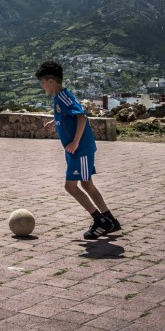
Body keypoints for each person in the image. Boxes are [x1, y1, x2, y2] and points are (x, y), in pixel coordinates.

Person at [35, 61, 121, 239]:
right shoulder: (60, 98)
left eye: (42, 81)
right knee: (87, 184)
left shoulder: (64, 98)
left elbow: (82, 117)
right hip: (78, 150)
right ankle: (111, 220)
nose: (41, 85)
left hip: (79, 149)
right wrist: (55, 121)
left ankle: (100, 221)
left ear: (50, 81)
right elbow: (68, 116)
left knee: (70, 187)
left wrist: (75, 142)